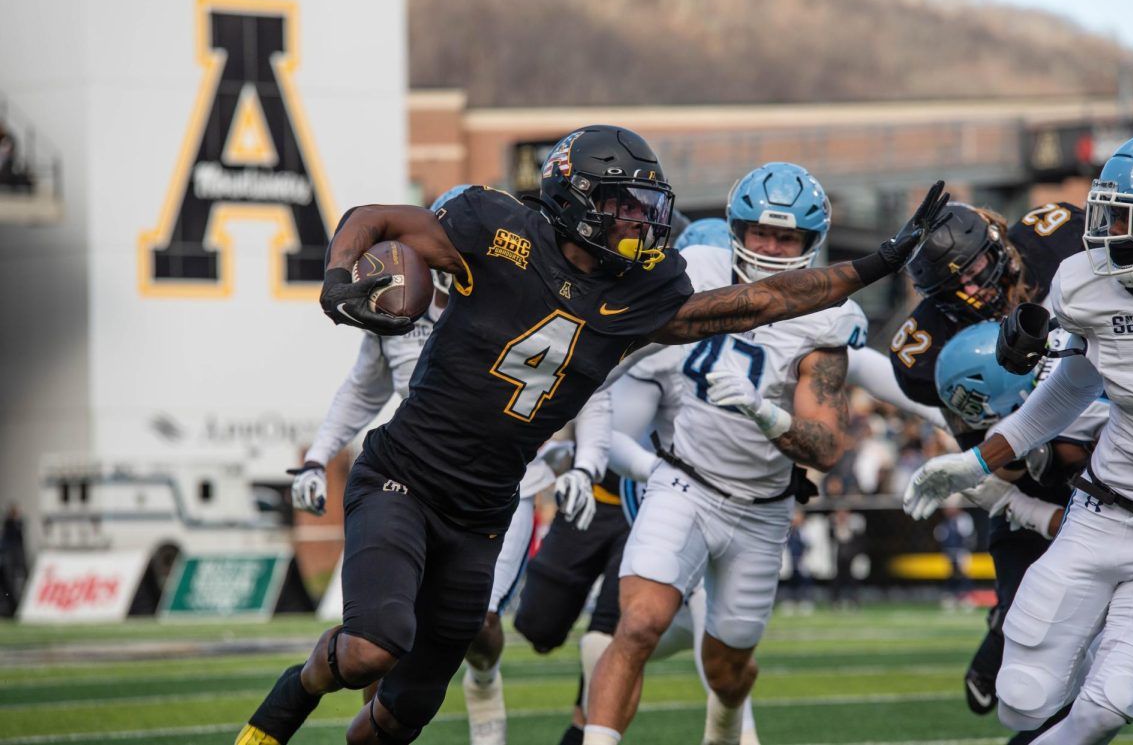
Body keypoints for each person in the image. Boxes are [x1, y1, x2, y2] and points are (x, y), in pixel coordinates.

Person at [235, 125, 949, 745]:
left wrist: (878, 265)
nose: (640, 220)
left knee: (405, 712)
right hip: (406, 477)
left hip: (485, 511)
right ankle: (282, 708)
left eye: (646, 204)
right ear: (576, 200)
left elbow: (765, 300)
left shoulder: (645, 291)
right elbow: (373, 218)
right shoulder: (494, 227)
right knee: (369, 650)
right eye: (623, 205)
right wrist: (336, 277)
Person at [902, 127, 1133, 744]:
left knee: (1111, 699)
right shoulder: (1086, 283)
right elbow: (1067, 388)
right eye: (1110, 217)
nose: (1111, 236)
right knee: (1024, 696)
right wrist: (979, 463)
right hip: (1102, 507)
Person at [288, 183, 612, 745]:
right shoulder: (402, 294)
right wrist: (318, 456)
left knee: (479, 627)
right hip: (410, 477)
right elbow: (363, 390)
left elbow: (593, 382)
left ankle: (483, 676)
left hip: (495, 489)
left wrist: (587, 461)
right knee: (382, 629)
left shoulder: (524, 293)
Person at [584, 162, 869, 745]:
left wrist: (765, 413)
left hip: (761, 510)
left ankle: (722, 729)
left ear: (809, 245)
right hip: (683, 481)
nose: (769, 247)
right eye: (760, 231)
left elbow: (827, 445)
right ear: (734, 227)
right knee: (637, 624)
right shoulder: (695, 271)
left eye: (785, 237)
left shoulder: (827, 314)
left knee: (727, 669)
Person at [886, 195, 1095, 741]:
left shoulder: (1056, 239)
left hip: (1105, 430)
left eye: (977, 269)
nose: (974, 288)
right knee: (1033, 633)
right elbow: (983, 457)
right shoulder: (925, 346)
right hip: (1024, 464)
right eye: (953, 287)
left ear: (995, 241)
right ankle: (1005, 626)